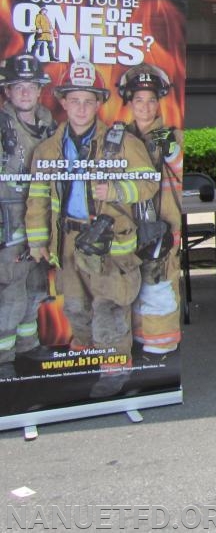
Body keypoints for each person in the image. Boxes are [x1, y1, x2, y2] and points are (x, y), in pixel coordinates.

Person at [25, 60, 159, 397]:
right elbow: (38, 197)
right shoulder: (48, 149)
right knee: (75, 307)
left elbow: (148, 183)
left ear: (99, 103)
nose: (81, 107)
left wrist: (115, 192)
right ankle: (86, 364)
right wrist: (39, 240)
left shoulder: (121, 142)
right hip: (68, 242)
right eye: (75, 100)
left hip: (110, 244)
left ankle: (114, 373)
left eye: (88, 100)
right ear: (63, 102)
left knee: (110, 307)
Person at [118, 63, 183, 364]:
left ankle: (161, 349)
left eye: (152, 100)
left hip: (162, 226)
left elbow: (179, 167)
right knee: (134, 287)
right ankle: (142, 341)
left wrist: (169, 147)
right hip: (129, 227)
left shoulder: (170, 137)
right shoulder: (120, 138)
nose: (146, 106)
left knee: (159, 288)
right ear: (129, 103)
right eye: (139, 100)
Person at [0, 55, 57, 379]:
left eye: (30, 86)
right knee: (11, 288)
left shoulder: (48, 124)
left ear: (39, 91)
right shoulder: (2, 126)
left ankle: (27, 344)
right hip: (10, 221)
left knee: (36, 285)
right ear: (7, 92)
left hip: (44, 218)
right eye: (17, 86)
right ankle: (4, 356)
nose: (24, 92)